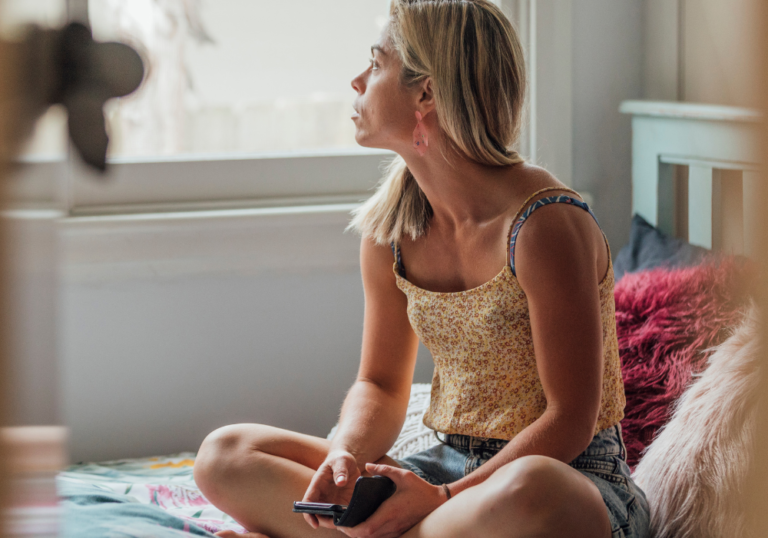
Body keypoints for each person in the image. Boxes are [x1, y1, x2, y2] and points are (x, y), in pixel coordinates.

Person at [194, 1, 650, 537]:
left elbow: (570, 419)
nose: (357, 80)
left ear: (426, 93)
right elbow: (381, 383)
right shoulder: (391, 232)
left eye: (377, 63)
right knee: (223, 454)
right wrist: (345, 455)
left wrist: (441, 497)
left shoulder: (544, 225)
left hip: (566, 478)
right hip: (444, 470)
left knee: (533, 493)